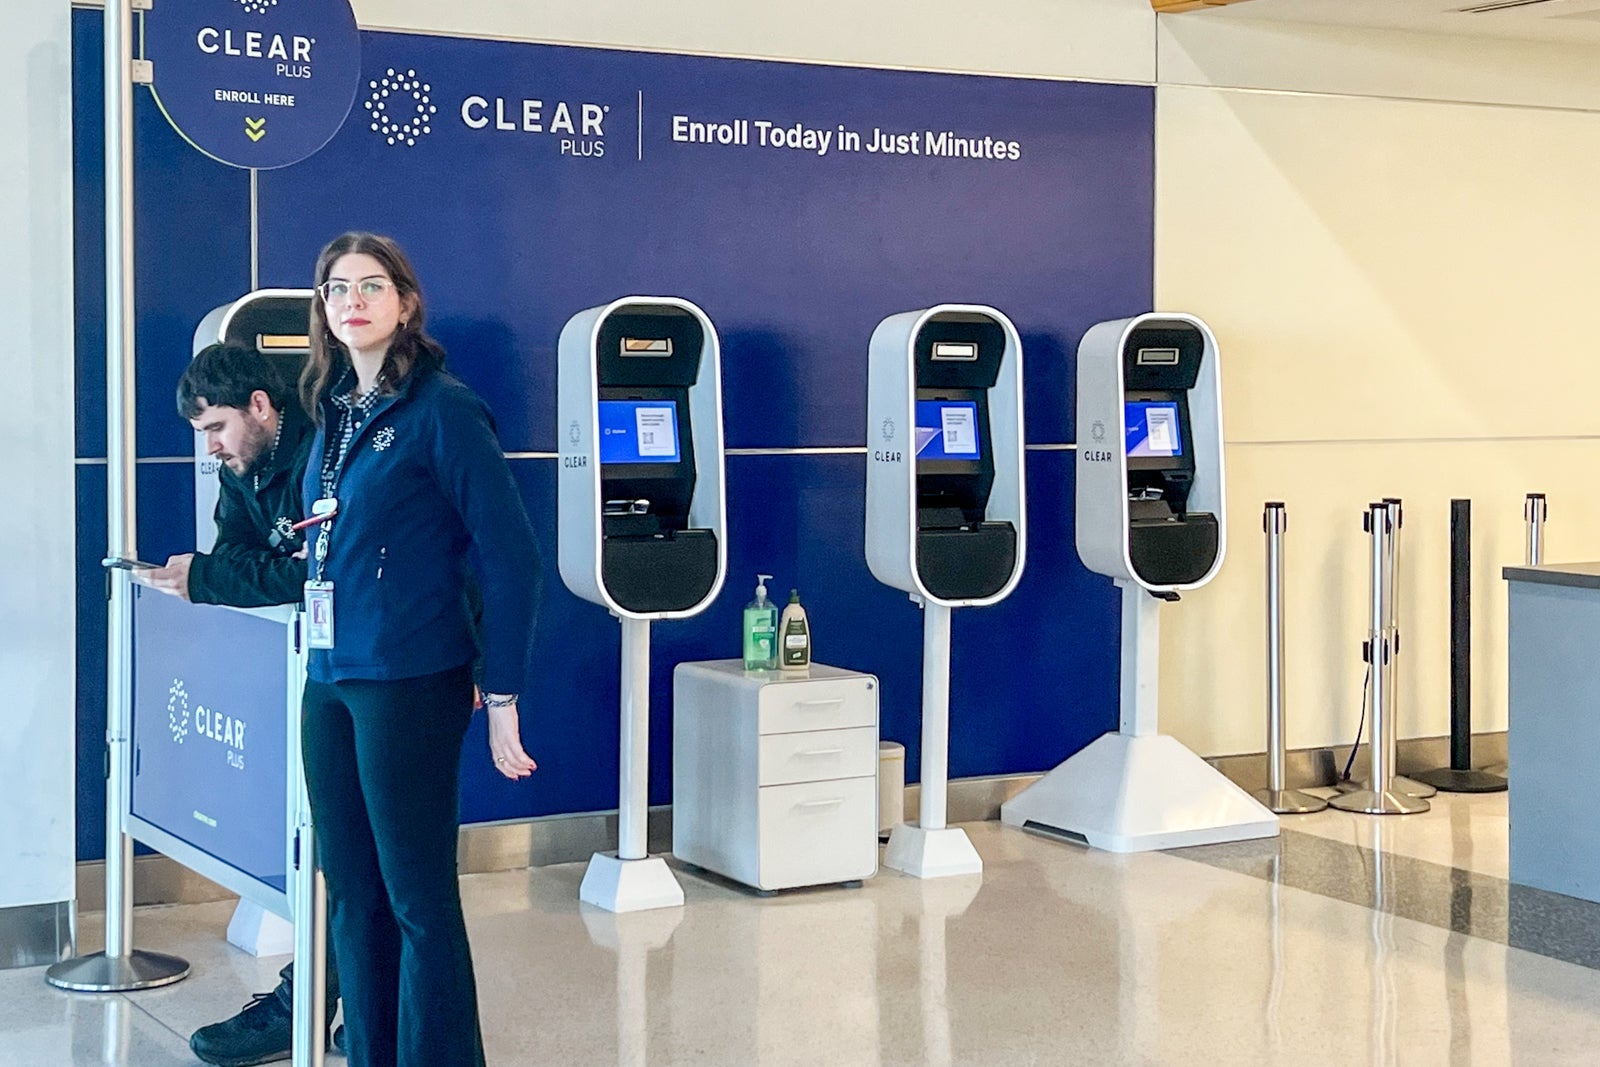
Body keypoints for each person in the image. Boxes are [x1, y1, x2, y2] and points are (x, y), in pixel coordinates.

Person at [297, 231, 541, 1067]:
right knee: (354, 896)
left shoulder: (442, 409)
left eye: (372, 285)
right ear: (323, 312)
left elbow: (511, 556)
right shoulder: (334, 414)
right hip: (331, 676)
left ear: (405, 302)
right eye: (337, 289)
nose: (353, 300)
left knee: (417, 899)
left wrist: (499, 690)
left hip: (408, 679)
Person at [146, 341, 348, 1065]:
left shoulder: (325, 450)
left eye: (217, 428)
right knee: (348, 850)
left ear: (261, 407)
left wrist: (238, 574)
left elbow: (315, 575)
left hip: (374, 670)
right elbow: (233, 562)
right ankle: (353, 995)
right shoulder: (245, 468)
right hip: (305, 676)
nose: (212, 448)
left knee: (363, 852)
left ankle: (322, 999)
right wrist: (254, 572)